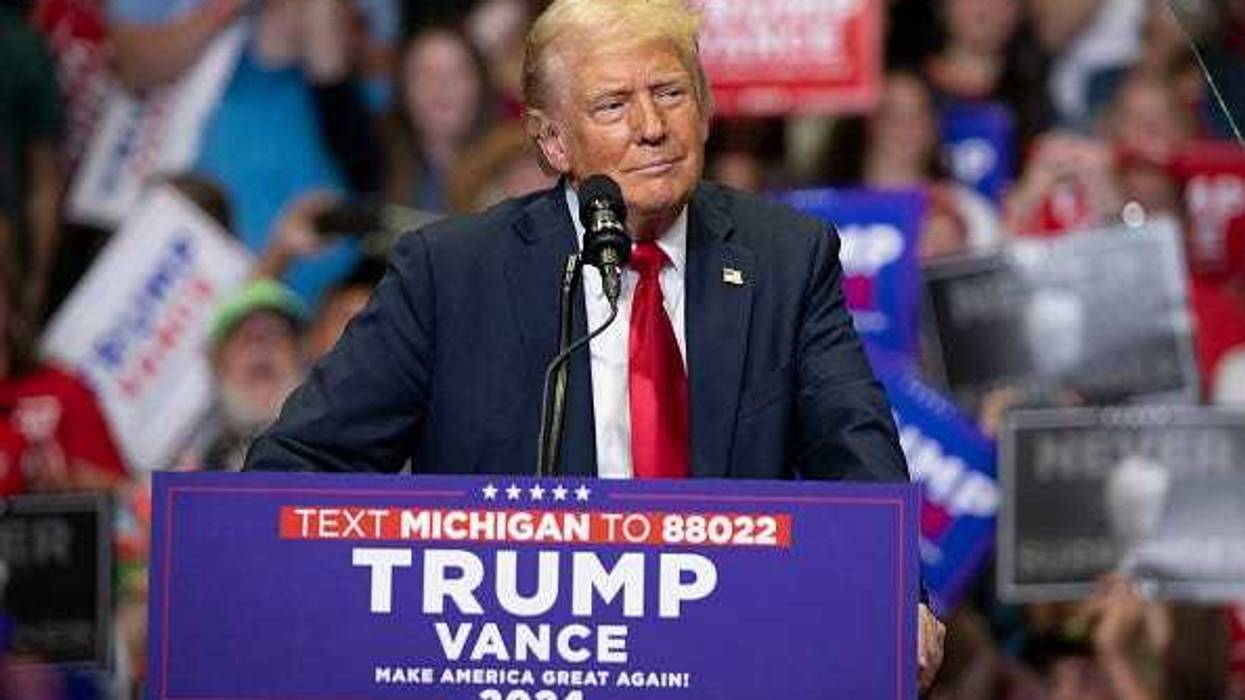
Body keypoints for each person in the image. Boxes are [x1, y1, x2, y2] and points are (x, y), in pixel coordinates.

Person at [246, 0, 945, 687]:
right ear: (552, 142)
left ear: (703, 109)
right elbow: (303, 464)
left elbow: (852, 452)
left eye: (669, 93)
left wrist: (894, 594)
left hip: (726, 658)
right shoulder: (452, 273)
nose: (650, 128)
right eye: (611, 105)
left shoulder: (784, 259)